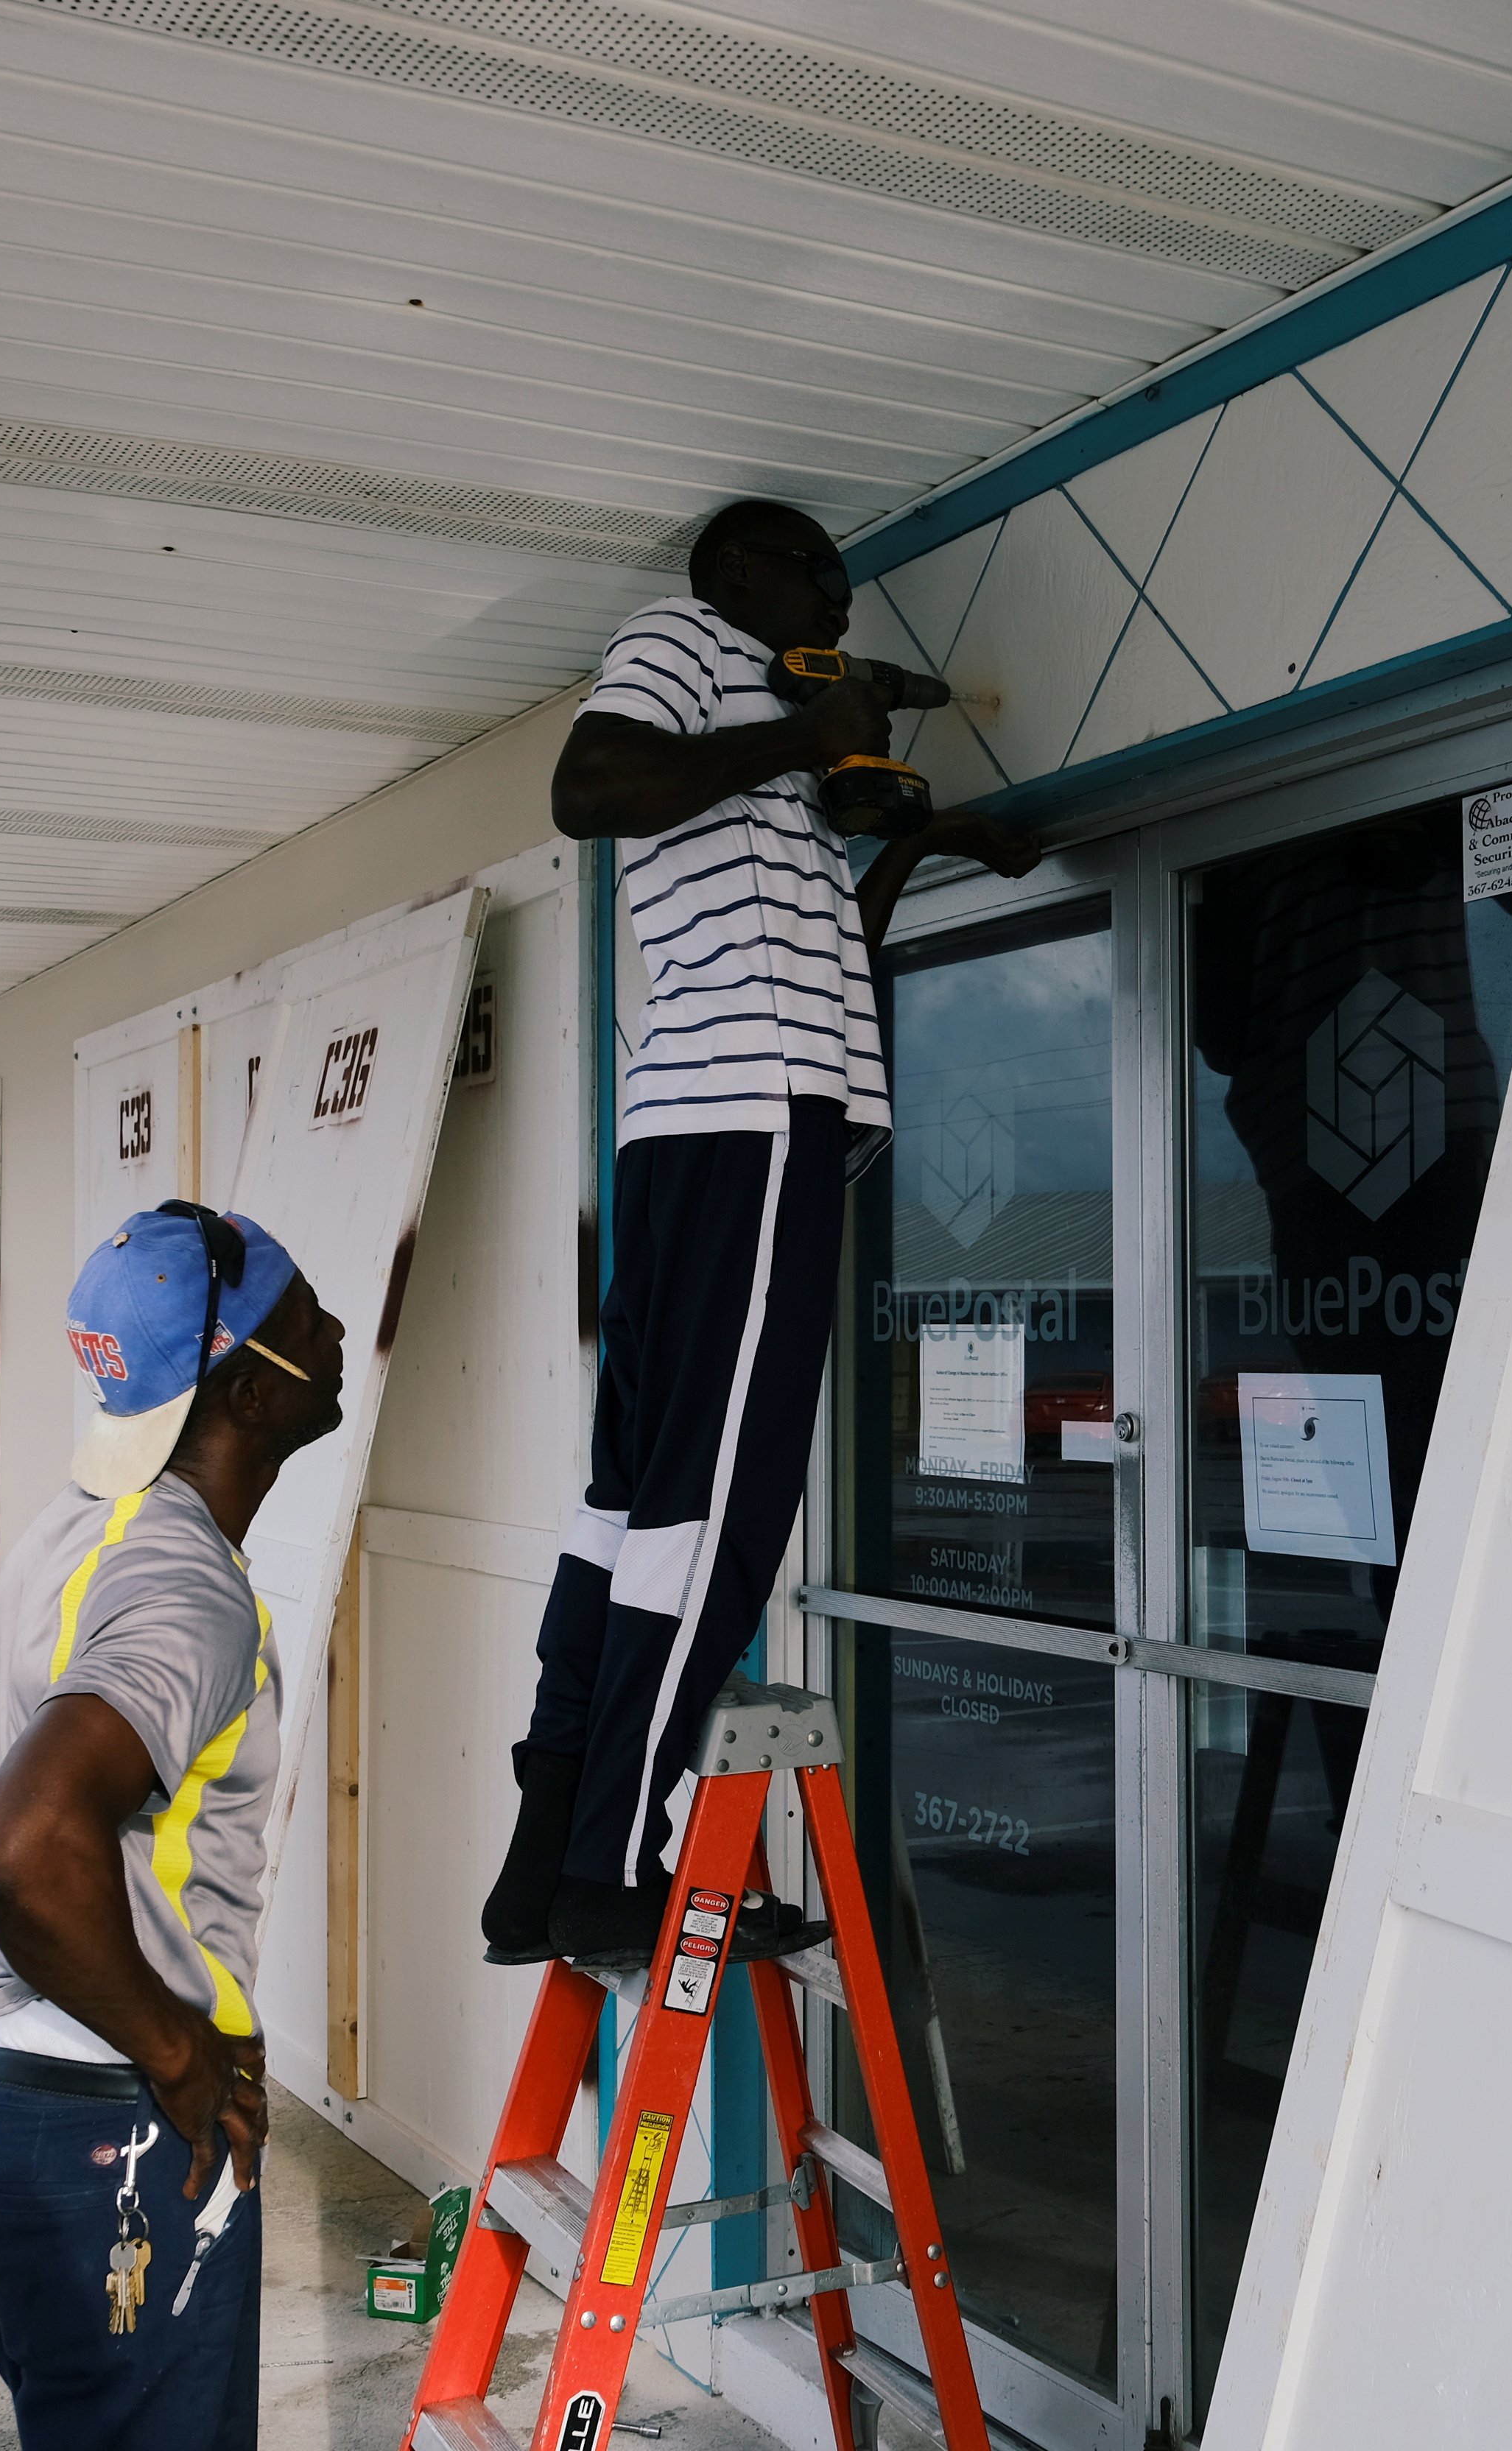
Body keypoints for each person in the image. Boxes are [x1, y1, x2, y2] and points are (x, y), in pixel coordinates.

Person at [482, 498, 1038, 1969]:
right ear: (742, 572)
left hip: (714, 1128)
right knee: (717, 1516)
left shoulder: (761, 783)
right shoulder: (684, 642)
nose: (841, 608)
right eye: (821, 578)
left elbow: (820, 968)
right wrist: (804, 731)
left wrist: (934, 843)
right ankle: (614, 1865)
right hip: (743, 1128)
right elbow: (589, 781)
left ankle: (549, 1848)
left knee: (630, 1506)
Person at [0, 1200, 346, 2451]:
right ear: (250, 1394)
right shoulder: (185, 1591)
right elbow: (18, 1842)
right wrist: (178, 2054)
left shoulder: (79, 1527)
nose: (335, 1333)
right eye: (306, 1317)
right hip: (112, 2128)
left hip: (15, 2103)